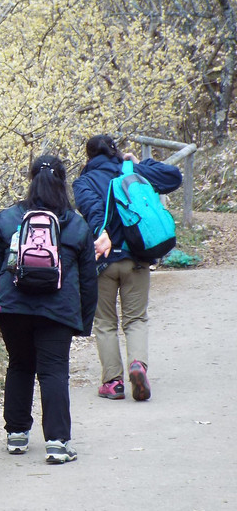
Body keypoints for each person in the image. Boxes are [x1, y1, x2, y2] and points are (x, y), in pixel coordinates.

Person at [0, 155, 97, 464]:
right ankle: (58, 442)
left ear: (30, 179)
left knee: (20, 365)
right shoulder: (75, 224)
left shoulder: (9, 218)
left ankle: (17, 435)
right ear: (62, 182)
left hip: (13, 307)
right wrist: (83, 322)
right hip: (58, 309)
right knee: (54, 372)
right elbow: (89, 280)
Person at [71, 135, 183, 401]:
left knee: (106, 322)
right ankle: (138, 365)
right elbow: (173, 177)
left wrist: (102, 234)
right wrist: (139, 163)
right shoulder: (129, 171)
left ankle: (113, 382)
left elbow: (92, 211)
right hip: (137, 258)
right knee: (136, 319)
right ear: (115, 151)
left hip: (103, 261)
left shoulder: (83, 181)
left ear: (89, 156)